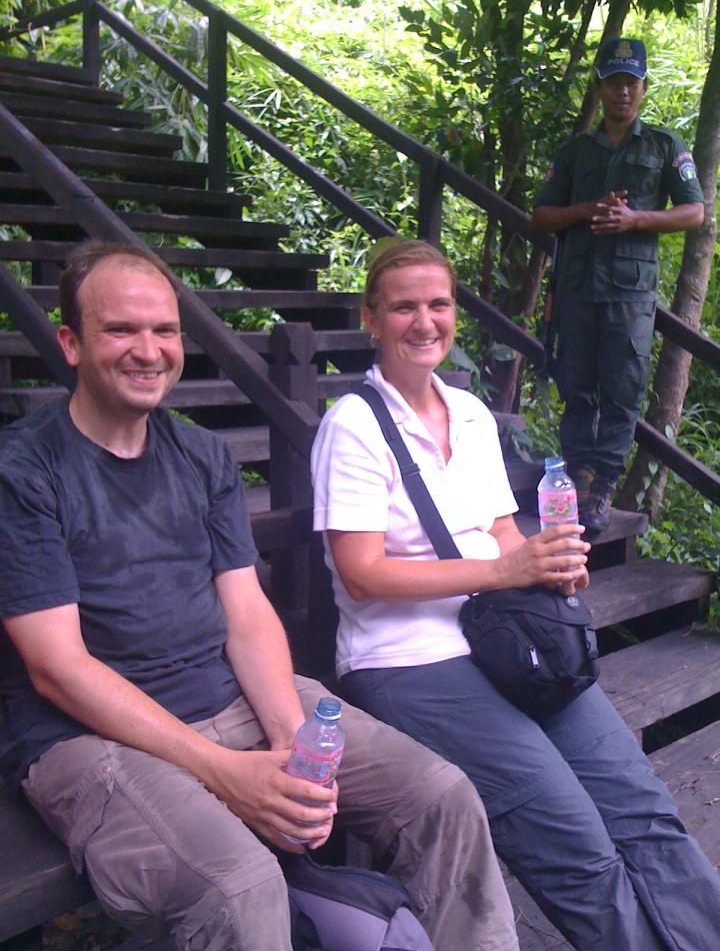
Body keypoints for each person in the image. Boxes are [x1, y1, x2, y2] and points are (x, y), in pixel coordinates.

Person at [0, 242, 520, 951]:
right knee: (241, 887)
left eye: (164, 330)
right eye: (120, 330)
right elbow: (56, 666)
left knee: (442, 796)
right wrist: (225, 772)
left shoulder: (200, 455)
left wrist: (289, 740)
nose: (148, 351)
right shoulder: (27, 469)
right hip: (88, 737)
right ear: (70, 343)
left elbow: (246, 613)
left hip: (229, 699)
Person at [311, 238, 720, 951]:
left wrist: (546, 564)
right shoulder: (351, 425)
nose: (424, 321)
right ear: (371, 320)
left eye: (438, 304)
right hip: (407, 660)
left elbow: (500, 529)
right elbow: (362, 574)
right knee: (576, 841)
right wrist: (505, 573)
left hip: (504, 640)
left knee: (641, 807)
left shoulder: (470, 413)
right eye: (403, 307)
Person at [530, 37, 704, 532]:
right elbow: (541, 215)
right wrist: (585, 210)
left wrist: (635, 219)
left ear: (643, 88)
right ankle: (577, 477)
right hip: (578, 289)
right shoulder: (575, 150)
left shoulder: (664, 146)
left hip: (630, 295)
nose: (622, 91)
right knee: (576, 386)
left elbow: (694, 212)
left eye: (631, 82)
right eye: (613, 82)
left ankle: (604, 481)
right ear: (600, 88)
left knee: (623, 390)